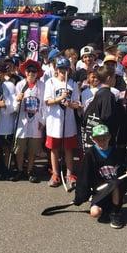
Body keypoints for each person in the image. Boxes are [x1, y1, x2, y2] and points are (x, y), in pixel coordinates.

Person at [73, 124, 127, 229]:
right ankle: (107, 209)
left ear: (109, 137)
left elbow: (121, 171)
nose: (102, 141)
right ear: (93, 139)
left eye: (104, 138)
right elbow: (84, 177)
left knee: (115, 183)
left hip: (114, 189)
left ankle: (115, 212)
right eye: (98, 139)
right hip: (100, 191)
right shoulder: (90, 154)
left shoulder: (115, 152)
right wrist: (80, 197)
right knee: (95, 213)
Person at [44, 56, 81, 189]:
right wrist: (60, 98)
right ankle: (55, 173)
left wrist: (70, 104)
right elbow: (47, 101)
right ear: (56, 69)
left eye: (65, 69)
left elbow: (78, 104)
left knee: (68, 149)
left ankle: (69, 174)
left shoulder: (73, 83)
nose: (63, 71)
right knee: (54, 149)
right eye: (61, 69)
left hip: (68, 122)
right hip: (54, 122)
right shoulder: (50, 83)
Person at [12, 59, 45, 183]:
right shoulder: (20, 85)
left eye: (34, 71)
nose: (31, 73)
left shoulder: (42, 86)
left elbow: (44, 105)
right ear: (25, 72)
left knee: (32, 149)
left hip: (36, 121)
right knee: (20, 148)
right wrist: (17, 99)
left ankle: (30, 170)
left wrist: (43, 121)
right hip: (22, 121)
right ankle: (20, 170)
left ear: (37, 73)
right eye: (29, 71)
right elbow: (15, 106)